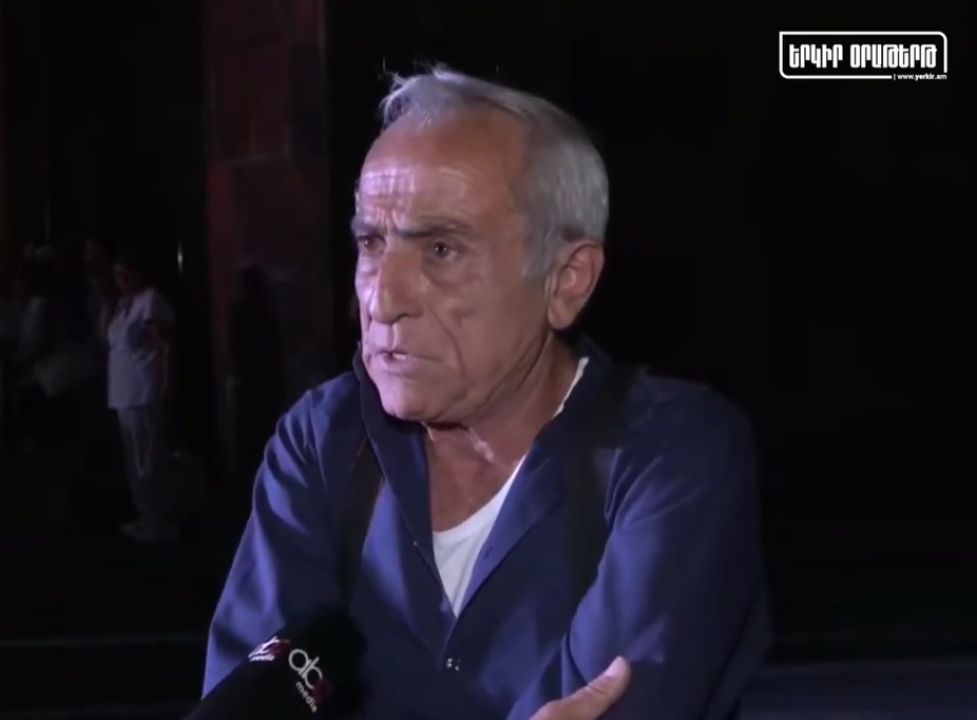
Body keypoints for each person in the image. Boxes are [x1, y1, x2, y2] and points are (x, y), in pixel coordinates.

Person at [204, 67, 768, 720]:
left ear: (566, 280)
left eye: (441, 250)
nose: (380, 299)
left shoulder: (674, 454)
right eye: (370, 243)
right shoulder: (323, 441)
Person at [105, 248, 178, 542]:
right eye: (117, 275)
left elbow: (167, 344)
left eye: (126, 273)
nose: (121, 280)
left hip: (143, 392)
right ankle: (146, 516)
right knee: (133, 462)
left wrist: (168, 385)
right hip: (123, 394)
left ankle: (159, 523)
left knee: (148, 460)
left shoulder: (150, 301)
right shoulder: (123, 305)